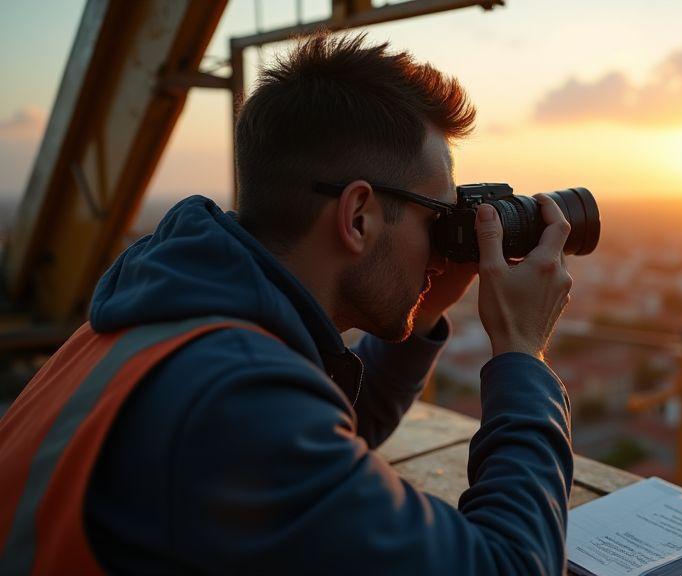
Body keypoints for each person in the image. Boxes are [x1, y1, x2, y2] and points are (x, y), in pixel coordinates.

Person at [0, 34, 574, 574]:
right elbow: (511, 565)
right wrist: (522, 353)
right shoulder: (230, 398)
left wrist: (423, 310)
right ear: (358, 218)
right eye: (436, 218)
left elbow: (330, 439)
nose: (443, 247)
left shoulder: (172, 316)